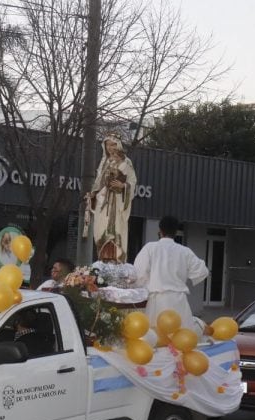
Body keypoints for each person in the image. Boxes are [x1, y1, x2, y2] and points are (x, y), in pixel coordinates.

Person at [133, 216, 209, 336]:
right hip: (179, 301)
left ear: (160, 231)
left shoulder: (150, 248)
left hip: (157, 300)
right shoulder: (185, 251)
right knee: (181, 340)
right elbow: (202, 271)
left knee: (156, 339)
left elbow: (138, 273)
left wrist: (145, 286)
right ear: (176, 231)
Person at [86, 134, 137, 263]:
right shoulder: (103, 162)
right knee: (100, 232)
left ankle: (116, 261)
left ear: (118, 145)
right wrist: (92, 195)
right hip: (103, 203)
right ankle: (102, 260)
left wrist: (123, 186)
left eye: (113, 144)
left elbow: (132, 182)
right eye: (108, 144)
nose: (111, 148)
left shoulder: (126, 162)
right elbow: (99, 183)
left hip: (117, 202)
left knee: (115, 232)